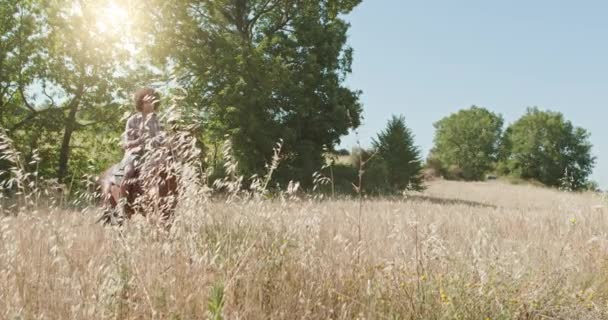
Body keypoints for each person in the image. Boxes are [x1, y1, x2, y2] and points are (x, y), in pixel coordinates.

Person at [119, 87, 163, 197]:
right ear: (141, 103)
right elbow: (126, 144)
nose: (150, 104)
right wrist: (139, 141)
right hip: (134, 154)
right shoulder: (132, 120)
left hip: (153, 154)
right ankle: (121, 204)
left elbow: (162, 139)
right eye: (147, 102)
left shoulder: (157, 120)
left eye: (152, 101)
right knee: (128, 172)